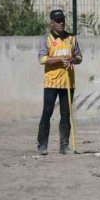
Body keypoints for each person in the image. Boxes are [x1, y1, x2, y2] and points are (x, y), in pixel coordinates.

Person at [37, 9, 82, 155]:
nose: (61, 23)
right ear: (51, 23)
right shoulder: (47, 39)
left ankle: (64, 145)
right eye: (58, 21)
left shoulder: (71, 39)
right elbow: (42, 59)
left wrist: (72, 59)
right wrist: (59, 60)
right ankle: (42, 144)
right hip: (51, 83)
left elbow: (80, 57)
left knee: (66, 114)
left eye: (63, 19)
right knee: (47, 113)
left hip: (68, 83)